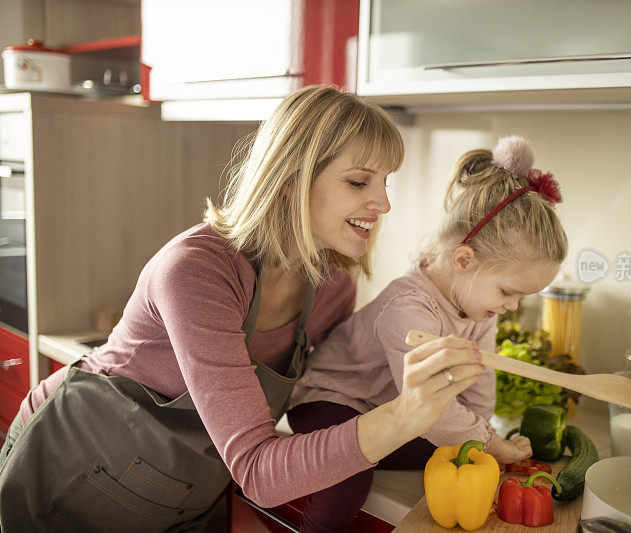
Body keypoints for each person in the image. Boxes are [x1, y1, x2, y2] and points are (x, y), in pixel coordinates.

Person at [0, 85, 486, 532]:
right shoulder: (197, 271)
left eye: (386, 183)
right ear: (292, 177)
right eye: (359, 182)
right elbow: (259, 471)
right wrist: (405, 414)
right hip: (77, 468)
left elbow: (322, 399)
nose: (382, 203)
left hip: (186, 490)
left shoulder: (333, 282)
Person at [286, 136, 569, 532]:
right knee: (351, 476)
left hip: (389, 410)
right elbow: (428, 402)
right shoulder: (408, 308)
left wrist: (481, 435)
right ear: (464, 260)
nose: (512, 307)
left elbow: (479, 386)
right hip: (328, 401)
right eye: (509, 292)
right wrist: (493, 445)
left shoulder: (480, 308)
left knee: (450, 445)